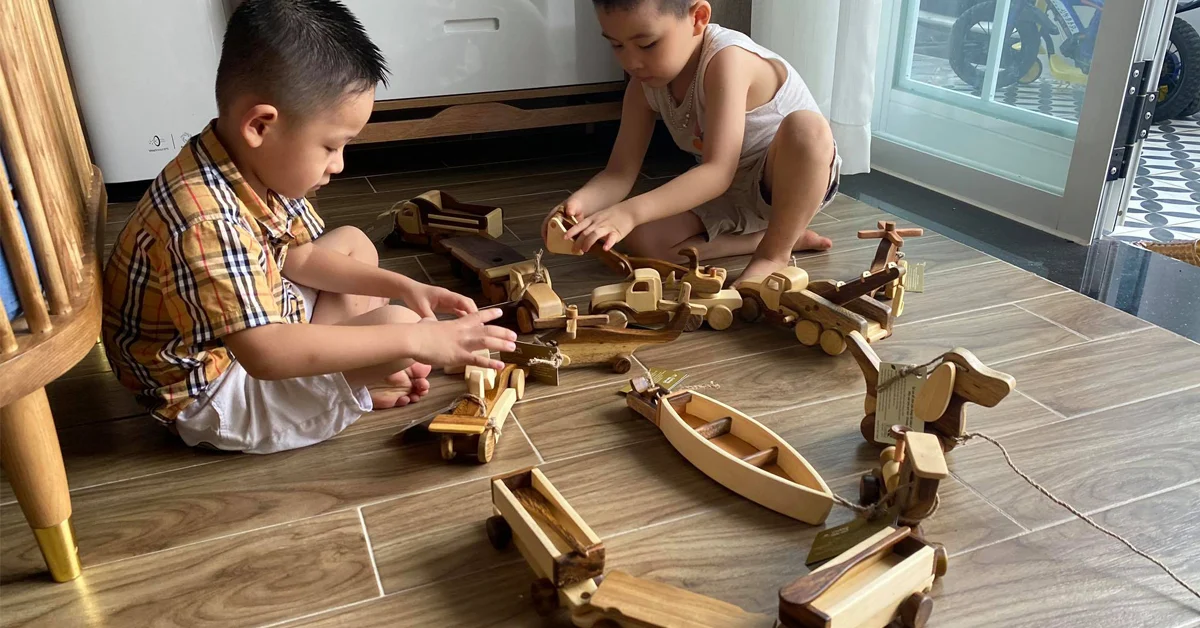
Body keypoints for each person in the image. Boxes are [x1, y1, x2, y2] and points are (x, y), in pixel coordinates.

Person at [101, 0, 515, 454]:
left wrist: (404, 284)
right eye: (331, 146)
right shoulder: (205, 220)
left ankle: (346, 378)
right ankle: (345, 386)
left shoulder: (246, 160)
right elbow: (266, 354)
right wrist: (416, 337)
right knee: (400, 327)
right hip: (218, 391)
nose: (339, 165)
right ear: (260, 125)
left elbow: (298, 258)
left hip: (251, 325)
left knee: (355, 244)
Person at [546, 0, 840, 284]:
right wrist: (577, 206)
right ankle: (769, 237)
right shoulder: (642, 86)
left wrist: (629, 212)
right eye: (616, 45)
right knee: (641, 240)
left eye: (647, 44)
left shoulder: (727, 60)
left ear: (698, 18)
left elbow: (717, 171)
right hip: (729, 191)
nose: (631, 62)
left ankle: (774, 253)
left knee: (808, 128)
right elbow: (619, 173)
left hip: (787, 185)